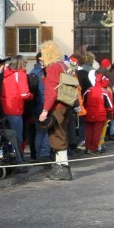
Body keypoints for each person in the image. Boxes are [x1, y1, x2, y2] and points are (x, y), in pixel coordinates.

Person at [38, 40, 72, 181]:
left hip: (57, 107)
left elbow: (51, 91)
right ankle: (60, 167)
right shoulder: (63, 65)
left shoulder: (52, 68)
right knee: (60, 134)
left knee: (57, 136)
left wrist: (45, 110)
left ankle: (63, 168)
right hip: (66, 103)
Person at [0, 56, 31, 152]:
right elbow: (24, 94)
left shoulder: (5, 74)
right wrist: (32, 95)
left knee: (7, 137)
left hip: (4, 107)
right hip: (15, 109)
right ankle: (18, 159)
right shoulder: (21, 74)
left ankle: (6, 159)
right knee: (18, 137)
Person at [83, 73, 114, 155]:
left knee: (89, 131)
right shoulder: (105, 92)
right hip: (100, 114)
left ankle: (88, 147)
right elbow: (110, 106)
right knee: (97, 132)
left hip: (89, 113)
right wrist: (110, 114)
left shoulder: (89, 90)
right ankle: (94, 148)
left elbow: (84, 101)